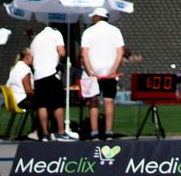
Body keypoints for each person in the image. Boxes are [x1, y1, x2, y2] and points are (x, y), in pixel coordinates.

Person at [80, 10, 126, 140]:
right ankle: (109, 132)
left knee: (93, 102)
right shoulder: (115, 31)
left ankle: (94, 132)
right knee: (109, 101)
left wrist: (90, 71)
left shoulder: (88, 32)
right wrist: (113, 69)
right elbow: (120, 52)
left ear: (96, 17)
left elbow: (84, 53)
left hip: (92, 71)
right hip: (109, 71)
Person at [30, 23, 73, 141]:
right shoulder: (56, 34)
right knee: (57, 103)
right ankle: (60, 131)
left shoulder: (36, 39)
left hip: (38, 75)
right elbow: (62, 52)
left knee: (42, 105)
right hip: (51, 73)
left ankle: (44, 133)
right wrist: (60, 61)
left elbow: (33, 58)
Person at [4, 47, 39, 139]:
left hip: (15, 100)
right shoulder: (25, 69)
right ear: (27, 56)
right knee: (46, 104)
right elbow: (28, 90)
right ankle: (38, 131)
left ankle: (36, 130)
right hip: (22, 100)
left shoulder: (15, 68)